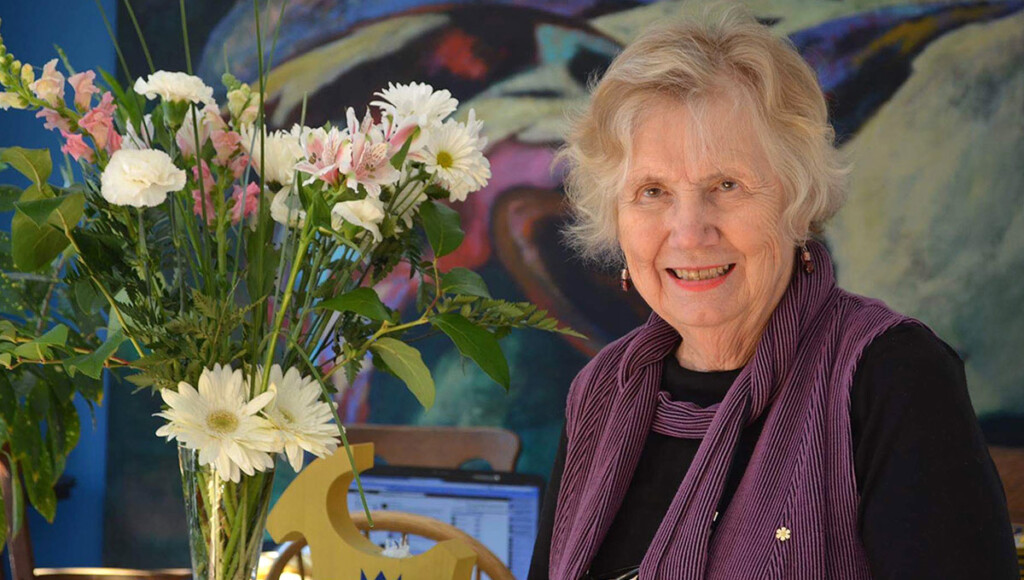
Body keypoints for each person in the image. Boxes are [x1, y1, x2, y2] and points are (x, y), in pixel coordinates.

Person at [527, 9, 1018, 580]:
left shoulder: (893, 376)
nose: (689, 232)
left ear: (798, 198)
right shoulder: (603, 391)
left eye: (726, 185)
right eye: (652, 191)